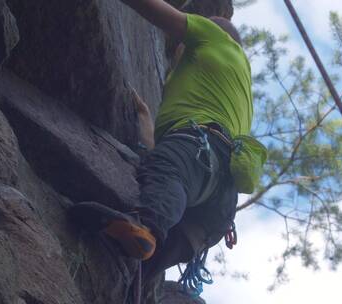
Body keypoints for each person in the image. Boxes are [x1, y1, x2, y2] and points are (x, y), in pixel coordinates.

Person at [71, 0, 266, 291]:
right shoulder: (236, 85)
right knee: (137, 270)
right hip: (217, 207)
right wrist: (146, 120)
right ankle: (139, 279)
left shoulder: (213, 36)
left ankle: (146, 226)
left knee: (163, 187)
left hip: (198, 152)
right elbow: (163, 159)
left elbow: (156, 11)